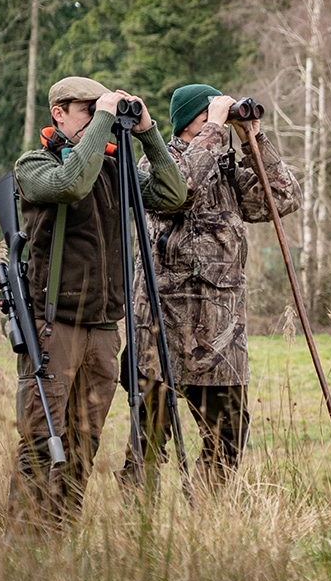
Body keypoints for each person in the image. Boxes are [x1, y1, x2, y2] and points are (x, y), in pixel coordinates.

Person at [10, 75, 187, 528]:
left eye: (100, 109)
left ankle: (61, 531)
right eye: (88, 110)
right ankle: (24, 542)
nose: (98, 119)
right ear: (59, 113)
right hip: (55, 324)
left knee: (84, 442)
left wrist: (146, 132)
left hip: (104, 330)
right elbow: (71, 184)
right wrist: (105, 118)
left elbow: (171, 194)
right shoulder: (34, 165)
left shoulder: (113, 169)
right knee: (40, 436)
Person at [117, 83, 301, 497]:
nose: (218, 122)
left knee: (229, 436)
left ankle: (205, 515)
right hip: (160, 331)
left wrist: (253, 138)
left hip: (220, 335)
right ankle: (134, 525)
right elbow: (180, 190)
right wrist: (215, 127)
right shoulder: (153, 168)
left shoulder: (226, 173)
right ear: (190, 122)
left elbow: (285, 197)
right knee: (148, 441)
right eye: (209, 115)